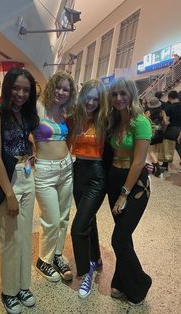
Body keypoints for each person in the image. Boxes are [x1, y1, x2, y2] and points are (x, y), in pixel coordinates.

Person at [0, 67, 39, 314]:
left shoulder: (25, 113)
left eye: (26, 90)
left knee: (25, 236)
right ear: (7, 87)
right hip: (7, 179)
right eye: (16, 87)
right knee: (10, 239)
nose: (20, 93)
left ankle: (23, 286)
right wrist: (9, 193)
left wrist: (32, 154)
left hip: (26, 174)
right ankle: (9, 291)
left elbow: (27, 138)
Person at [106, 77, 152, 306]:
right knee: (124, 235)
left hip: (134, 186)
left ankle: (141, 282)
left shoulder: (140, 122)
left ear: (132, 95)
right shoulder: (113, 121)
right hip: (114, 181)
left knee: (119, 238)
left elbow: (138, 162)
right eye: (114, 94)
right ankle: (121, 279)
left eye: (123, 94)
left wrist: (124, 193)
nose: (119, 98)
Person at [33, 71, 76, 282]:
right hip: (44, 171)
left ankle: (57, 255)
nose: (60, 92)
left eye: (65, 89)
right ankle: (43, 260)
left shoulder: (66, 111)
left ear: (70, 93)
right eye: (58, 87)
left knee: (63, 217)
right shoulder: (38, 107)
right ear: (51, 87)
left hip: (66, 168)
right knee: (50, 219)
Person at [67, 79, 108, 298]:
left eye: (96, 98)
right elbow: (52, 134)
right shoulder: (74, 119)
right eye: (88, 97)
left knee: (78, 228)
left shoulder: (106, 120)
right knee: (89, 219)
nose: (91, 102)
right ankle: (97, 258)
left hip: (97, 176)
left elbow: (122, 141)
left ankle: (86, 272)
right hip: (78, 171)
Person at [145, 97, 169, 177]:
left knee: (151, 152)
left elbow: (145, 123)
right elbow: (165, 123)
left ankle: (157, 168)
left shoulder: (148, 112)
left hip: (152, 134)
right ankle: (156, 165)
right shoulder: (162, 112)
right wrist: (163, 130)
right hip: (160, 133)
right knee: (155, 151)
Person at [165, 90, 181, 172]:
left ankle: (165, 166)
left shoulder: (168, 108)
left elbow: (166, 122)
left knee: (167, 148)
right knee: (179, 148)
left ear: (170, 98)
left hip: (172, 131)